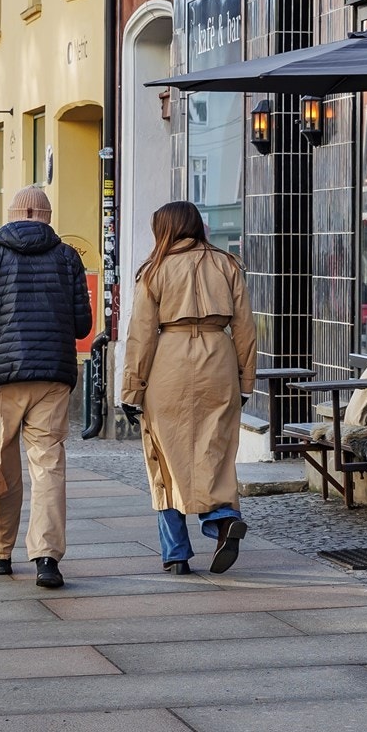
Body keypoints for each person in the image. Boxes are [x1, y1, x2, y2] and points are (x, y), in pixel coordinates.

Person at [0, 185, 92, 590]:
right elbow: (83, 326)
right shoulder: (68, 257)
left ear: (17, 213)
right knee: (48, 466)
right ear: (43, 215)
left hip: (1, 379)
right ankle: (47, 557)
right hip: (53, 376)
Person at [122, 201, 257, 574]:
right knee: (216, 449)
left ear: (163, 229)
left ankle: (177, 554)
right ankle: (222, 520)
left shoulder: (153, 271)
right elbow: (245, 328)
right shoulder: (228, 264)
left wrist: (131, 392)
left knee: (164, 458)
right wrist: (246, 380)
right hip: (219, 357)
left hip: (170, 362)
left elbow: (141, 337)